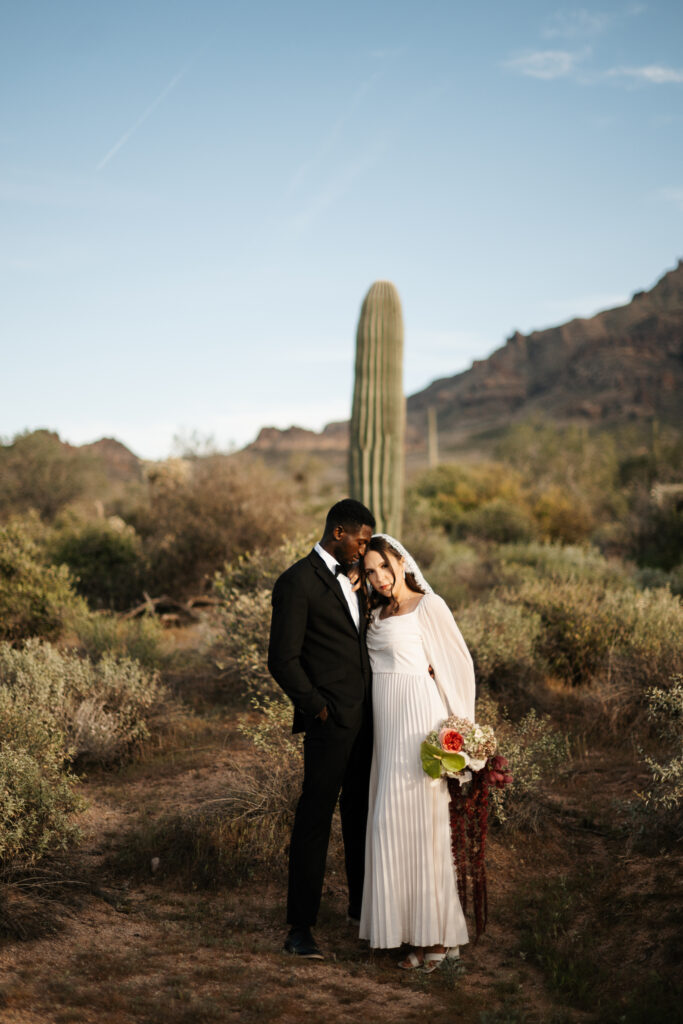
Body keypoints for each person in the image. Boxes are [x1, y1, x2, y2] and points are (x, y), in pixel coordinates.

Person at [359, 533, 475, 972]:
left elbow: (458, 667)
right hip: (388, 730)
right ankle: (410, 933)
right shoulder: (375, 613)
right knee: (389, 824)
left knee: (425, 829)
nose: (380, 577)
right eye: (370, 571)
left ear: (402, 563)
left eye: (384, 567)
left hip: (420, 723)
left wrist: (461, 738)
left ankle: (439, 939)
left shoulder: (429, 606)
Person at [268, 498, 376, 960]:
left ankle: (360, 909)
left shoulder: (358, 579)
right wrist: (318, 708)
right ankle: (300, 928)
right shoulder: (296, 582)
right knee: (314, 820)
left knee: (361, 816)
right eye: (362, 541)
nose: (364, 550)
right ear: (338, 533)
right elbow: (282, 659)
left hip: (369, 723)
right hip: (329, 724)